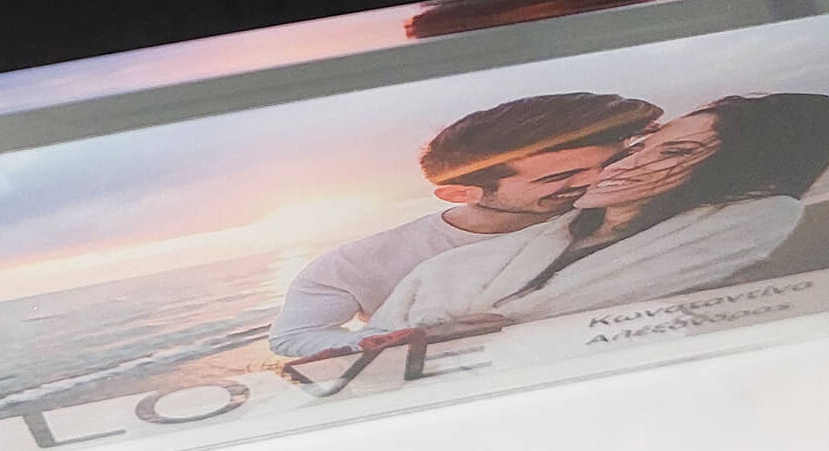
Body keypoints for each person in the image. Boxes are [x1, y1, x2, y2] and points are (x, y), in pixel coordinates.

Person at [368, 92, 829, 329]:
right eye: (643, 147)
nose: (626, 164)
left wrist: (466, 330)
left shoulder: (757, 220)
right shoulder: (463, 263)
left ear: (729, 172)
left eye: (676, 153)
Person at [266, 92, 661, 358]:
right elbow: (294, 337)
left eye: (612, 163)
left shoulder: (647, 206)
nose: (601, 180)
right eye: (559, 177)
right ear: (461, 193)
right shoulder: (360, 263)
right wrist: (406, 340)